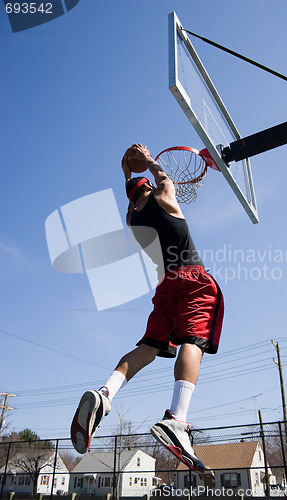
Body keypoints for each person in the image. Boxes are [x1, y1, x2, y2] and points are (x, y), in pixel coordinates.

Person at [70, 144, 224, 472]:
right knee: (191, 341)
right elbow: (163, 177)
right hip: (192, 278)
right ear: (151, 187)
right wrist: (151, 161)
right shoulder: (164, 196)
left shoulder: (133, 219)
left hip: (164, 288)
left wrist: (126, 171)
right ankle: (177, 420)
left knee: (147, 347)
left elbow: (133, 193)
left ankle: (105, 394)